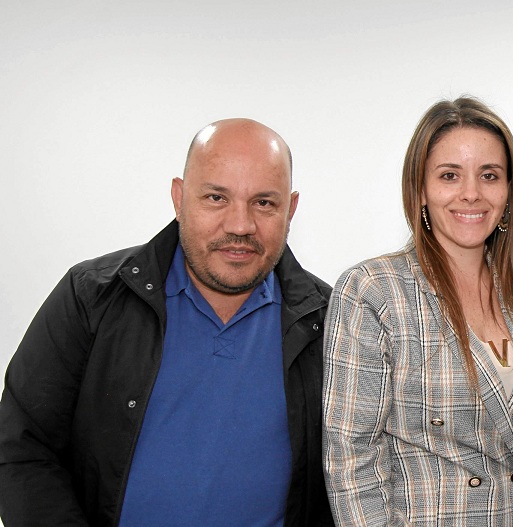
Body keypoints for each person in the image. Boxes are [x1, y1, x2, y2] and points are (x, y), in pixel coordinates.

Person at [0, 119, 334, 526]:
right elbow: (22, 447)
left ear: (290, 210)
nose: (240, 225)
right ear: (179, 198)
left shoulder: (332, 323)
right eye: (216, 197)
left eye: (264, 203)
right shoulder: (92, 296)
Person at [322, 96, 513, 526]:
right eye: (450, 175)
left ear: (509, 192)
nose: (471, 193)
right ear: (420, 190)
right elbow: (351, 462)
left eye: (489, 175)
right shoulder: (374, 290)